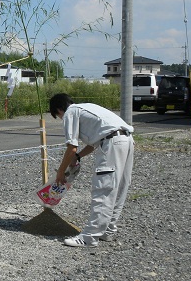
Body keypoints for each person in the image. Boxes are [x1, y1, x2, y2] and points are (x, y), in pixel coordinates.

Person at [49, 93, 134, 248]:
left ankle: (89, 237)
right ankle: (107, 230)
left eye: (58, 116)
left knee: (104, 187)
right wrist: (78, 157)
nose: (61, 118)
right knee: (119, 187)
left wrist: (61, 172)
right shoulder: (87, 108)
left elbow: (71, 146)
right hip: (126, 140)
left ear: (59, 109)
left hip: (112, 143)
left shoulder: (70, 113)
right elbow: (92, 144)